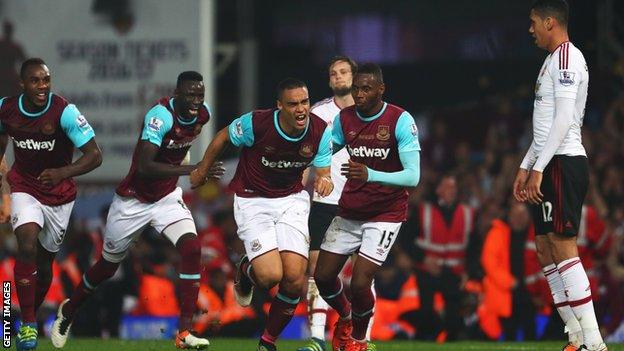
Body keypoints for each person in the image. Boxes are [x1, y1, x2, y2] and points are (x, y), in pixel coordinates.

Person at [50, 71, 223, 350]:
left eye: (200, 96)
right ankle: (68, 311)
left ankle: (183, 332)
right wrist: (194, 167)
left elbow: (182, 144)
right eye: (190, 95)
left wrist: (186, 158)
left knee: (192, 249)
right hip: (133, 201)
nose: (195, 101)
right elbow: (145, 166)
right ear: (176, 94)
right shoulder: (160, 116)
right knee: (107, 267)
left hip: (166, 198)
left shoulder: (204, 115)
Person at [190, 78, 333, 351]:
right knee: (269, 277)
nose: (301, 109)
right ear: (280, 106)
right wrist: (201, 169)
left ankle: (267, 343)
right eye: (293, 104)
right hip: (253, 200)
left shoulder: (320, 131)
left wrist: (325, 180)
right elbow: (222, 136)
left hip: (292, 200)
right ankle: (247, 269)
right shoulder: (258, 124)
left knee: (294, 280)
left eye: (304, 102)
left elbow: (324, 172)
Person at [513, 1, 607, 350]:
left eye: (534, 22)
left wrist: (538, 168)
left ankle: (594, 343)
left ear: (550, 22)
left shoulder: (568, 57)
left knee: (564, 247)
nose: (530, 29)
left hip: (564, 162)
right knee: (544, 248)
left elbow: (565, 119)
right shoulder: (551, 61)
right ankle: (575, 336)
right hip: (548, 161)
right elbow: (543, 127)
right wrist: (526, 165)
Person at [313, 63, 421, 351]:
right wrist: (321, 173)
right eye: (356, 88)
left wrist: (370, 174)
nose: (358, 94)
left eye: (366, 89)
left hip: (385, 214)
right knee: (322, 277)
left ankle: (359, 340)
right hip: (350, 210)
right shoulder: (345, 118)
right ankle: (346, 317)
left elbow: (413, 175)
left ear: (380, 89)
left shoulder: (399, 119)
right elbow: (326, 148)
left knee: (360, 282)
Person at [0, 58, 102, 351]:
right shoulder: (7, 108)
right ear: (23, 84)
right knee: (26, 245)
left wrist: (62, 172)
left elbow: (95, 155)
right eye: (35, 81)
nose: (42, 86)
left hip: (60, 195)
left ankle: (28, 318)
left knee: (44, 267)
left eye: (46, 80)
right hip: (24, 188)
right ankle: (29, 326)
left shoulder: (64, 112)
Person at [298, 56, 376, 351]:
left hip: (363, 201)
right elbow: (304, 151)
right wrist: (303, 176)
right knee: (317, 270)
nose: (338, 76)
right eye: (333, 73)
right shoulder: (318, 112)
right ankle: (317, 337)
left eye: (344, 72)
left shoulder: (372, 113)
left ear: (355, 77)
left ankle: (362, 338)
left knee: (363, 274)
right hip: (326, 200)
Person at [399, 175, 475, 341]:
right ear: (438, 190)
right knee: (426, 310)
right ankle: (423, 340)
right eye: (448, 187)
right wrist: (422, 259)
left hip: (454, 271)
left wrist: (467, 271)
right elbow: (405, 238)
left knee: (453, 314)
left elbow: (474, 247)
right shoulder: (423, 211)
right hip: (427, 270)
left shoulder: (467, 213)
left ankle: (450, 340)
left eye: (454, 188)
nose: (452, 191)